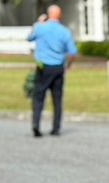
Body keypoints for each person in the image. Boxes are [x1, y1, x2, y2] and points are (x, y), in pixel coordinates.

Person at [28, 4, 77, 137]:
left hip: (43, 67)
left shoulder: (41, 28)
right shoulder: (64, 31)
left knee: (39, 97)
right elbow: (73, 52)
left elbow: (29, 37)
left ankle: (36, 124)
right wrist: (68, 66)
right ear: (60, 15)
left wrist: (38, 23)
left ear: (49, 14)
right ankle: (56, 128)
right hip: (58, 68)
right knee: (57, 99)